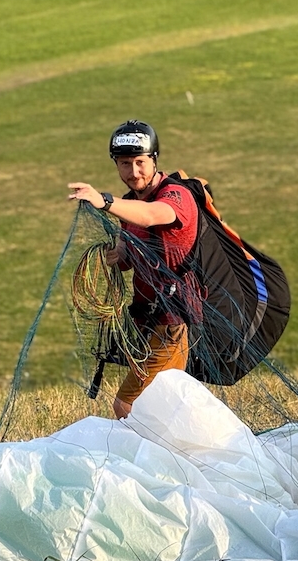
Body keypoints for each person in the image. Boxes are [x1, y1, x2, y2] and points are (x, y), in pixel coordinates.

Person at [67, 120, 201, 419]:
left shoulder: (177, 196)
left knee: (129, 405)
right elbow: (129, 257)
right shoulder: (129, 204)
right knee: (169, 406)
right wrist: (118, 254)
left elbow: (155, 216)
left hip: (172, 321)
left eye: (140, 162)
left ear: (154, 160)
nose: (133, 172)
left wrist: (104, 201)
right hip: (146, 319)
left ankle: (160, 462)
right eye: (125, 164)